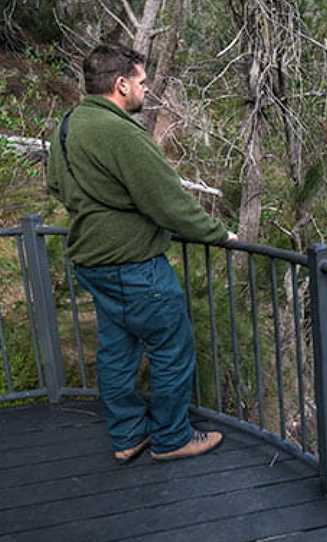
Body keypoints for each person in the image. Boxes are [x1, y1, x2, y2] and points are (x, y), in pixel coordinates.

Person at [47, 43, 237, 463]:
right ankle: (172, 438)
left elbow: (57, 186)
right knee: (172, 347)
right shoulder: (121, 133)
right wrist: (219, 234)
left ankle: (128, 436)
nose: (146, 91)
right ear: (121, 84)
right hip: (133, 265)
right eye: (142, 82)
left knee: (117, 352)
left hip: (93, 263)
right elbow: (167, 201)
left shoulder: (67, 124)